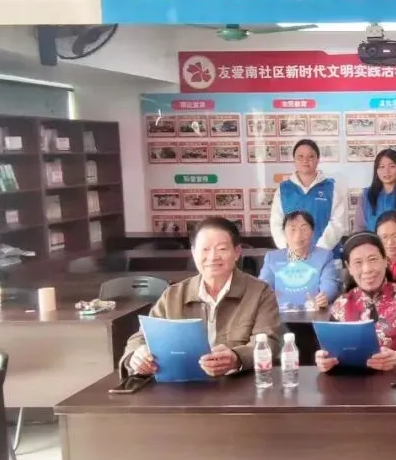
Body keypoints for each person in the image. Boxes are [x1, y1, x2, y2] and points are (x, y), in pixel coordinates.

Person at [121, 216, 282, 377]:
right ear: (193, 252)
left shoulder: (259, 292)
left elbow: (269, 342)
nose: (213, 257)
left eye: (222, 249)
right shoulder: (173, 295)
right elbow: (141, 338)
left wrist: (237, 358)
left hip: (238, 384)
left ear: (237, 253)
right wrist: (136, 355)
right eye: (205, 249)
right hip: (182, 384)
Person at [314, 232, 396, 372]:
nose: (367, 269)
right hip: (351, 382)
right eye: (358, 263)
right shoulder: (340, 306)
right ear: (349, 267)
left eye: (373, 259)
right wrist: (324, 361)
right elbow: (331, 355)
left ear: (385, 261)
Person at [270, 139, 346, 254]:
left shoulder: (332, 188)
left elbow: (337, 224)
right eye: (300, 156)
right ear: (294, 160)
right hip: (293, 257)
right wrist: (290, 249)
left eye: (311, 156)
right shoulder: (283, 189)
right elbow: (276, 223)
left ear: (317, 159)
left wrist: (320, 250)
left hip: (327, 256)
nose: (305, 160)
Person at [259, 210, 342, 310]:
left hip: (314, 313)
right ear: (284, 232)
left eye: (304, 229)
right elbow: (262, 286)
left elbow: (329, 284)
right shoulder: (272, 258)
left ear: (312, 232)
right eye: (292, 229)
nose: (298, 235)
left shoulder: (324, 256)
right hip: (278, 314)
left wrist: (325, 296)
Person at [355, 149, 396, 251]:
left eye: (392, 166)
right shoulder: (366, 195)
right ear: (376, 170)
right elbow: (359, 228)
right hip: (373, 253)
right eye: (382, 167)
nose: (386, 171)